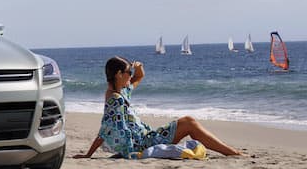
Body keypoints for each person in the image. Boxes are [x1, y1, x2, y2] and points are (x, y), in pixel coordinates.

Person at [74, 56, 241, 159]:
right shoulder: (115, 100)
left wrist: (138, 68)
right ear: (118, 74)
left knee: (188, 122)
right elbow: (106, 128)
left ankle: (231, 152)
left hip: (147, 137)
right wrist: (88, 154)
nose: (131, 76)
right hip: (143, 144)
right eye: (128, 73)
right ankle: (232, 153)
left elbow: (139, 76)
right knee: (188, 122)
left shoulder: (122, 93)